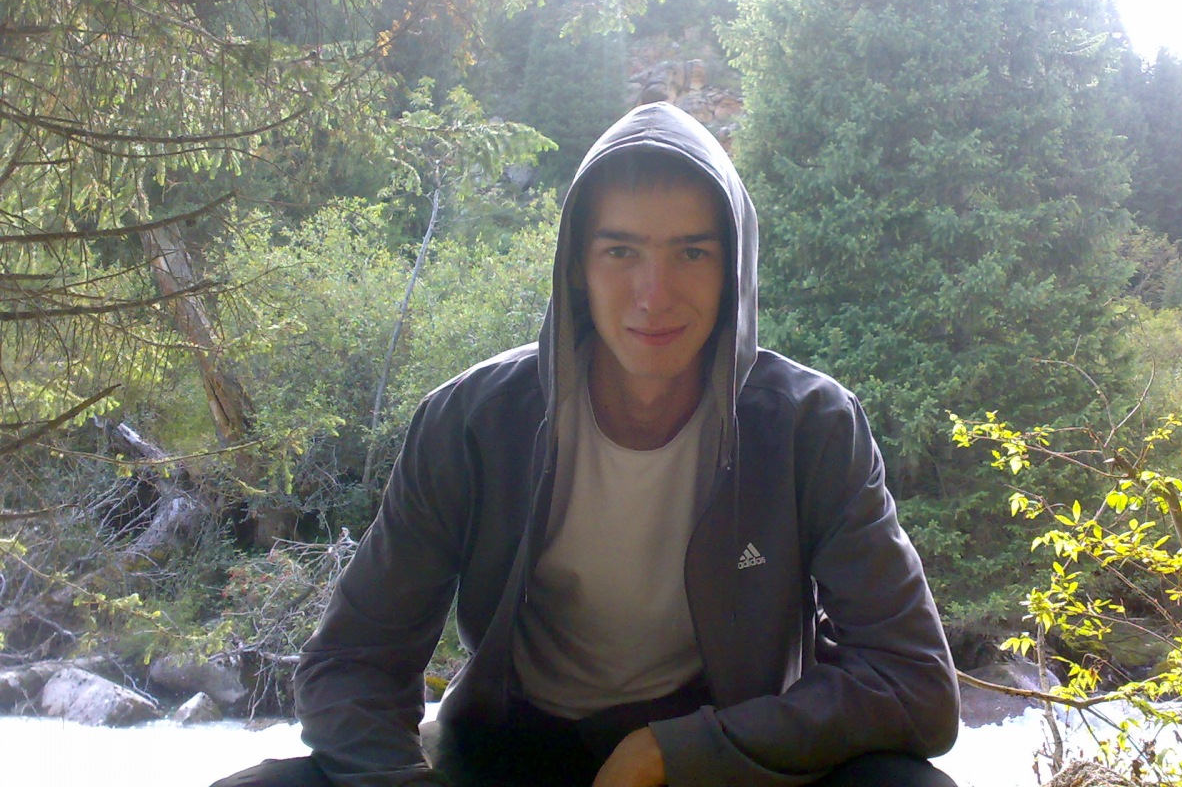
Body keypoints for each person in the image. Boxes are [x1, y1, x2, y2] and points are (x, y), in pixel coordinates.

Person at [214, 103, 960, 787]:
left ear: (733, 267)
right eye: (621, 252)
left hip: (716, 761)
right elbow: (352, 663)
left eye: (692, 254)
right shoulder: (471, 422)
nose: (654, 294)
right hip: (505, 756)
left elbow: (914, 684)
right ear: (576, 264)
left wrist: (677, 751)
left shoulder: (810, 429)